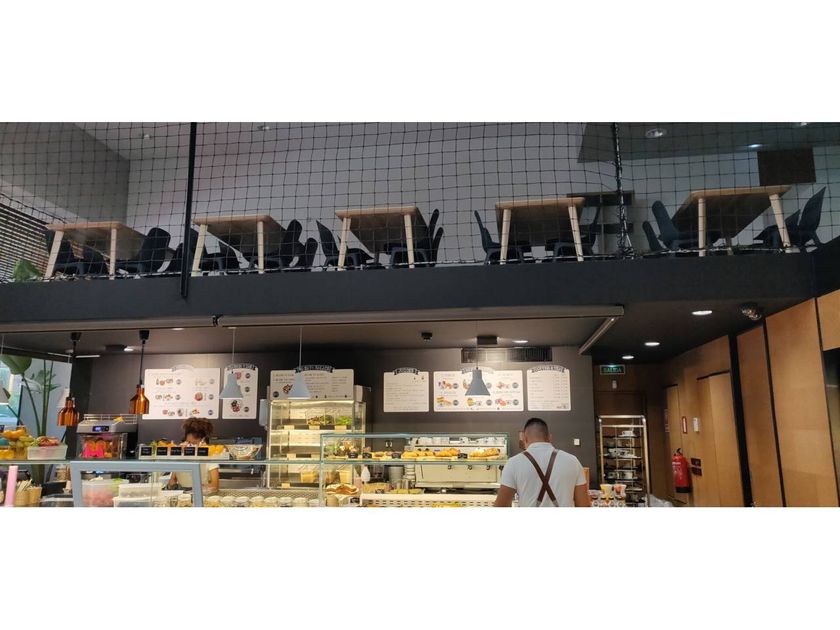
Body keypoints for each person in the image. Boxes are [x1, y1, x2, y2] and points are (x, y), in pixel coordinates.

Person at [494, 417, 591, 507]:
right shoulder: (572, 461)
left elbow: (501, 506)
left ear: (524, 439)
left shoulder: (513, 463)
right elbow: (584, 505)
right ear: (549, 438)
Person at [168, 418, 220, 495]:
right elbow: (172, 481)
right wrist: (174, 488)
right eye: (188, 443)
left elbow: (215, 486)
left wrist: (191, 491)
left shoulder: (210, 455)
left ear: (202, 441)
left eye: (194, 444)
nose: (190, 447)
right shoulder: (180, 455)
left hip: (203, 496)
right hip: (183, 497)